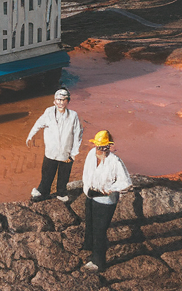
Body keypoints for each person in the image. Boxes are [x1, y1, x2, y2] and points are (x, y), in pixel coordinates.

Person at [81, 130, 132, 272]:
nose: (102, 150)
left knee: (100, 230)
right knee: (90, 225)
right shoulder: (91, 155)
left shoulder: (115, 161)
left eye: (105, 147)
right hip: (91, 196)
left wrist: (108, 190)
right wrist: (87, 190)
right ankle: (89, 248)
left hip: (106, 201)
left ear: (109, 146)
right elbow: (86, 174)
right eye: (100, 147)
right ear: (95, 145)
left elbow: (126, 183)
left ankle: (98, 262)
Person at [26, 87, 82, 202]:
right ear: (54, 101)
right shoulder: (48, 112)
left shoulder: (73, 115)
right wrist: (30, 136)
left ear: (68, 101)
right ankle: (43, 192)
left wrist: (74, 153)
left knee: (64, 176)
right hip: (51, 152)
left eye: (64, 100)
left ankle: (61, 193)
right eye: (59, 100)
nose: (61, 102)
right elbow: (38, 124)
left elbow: (78, 134)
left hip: (66, 152)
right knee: (47, 175)